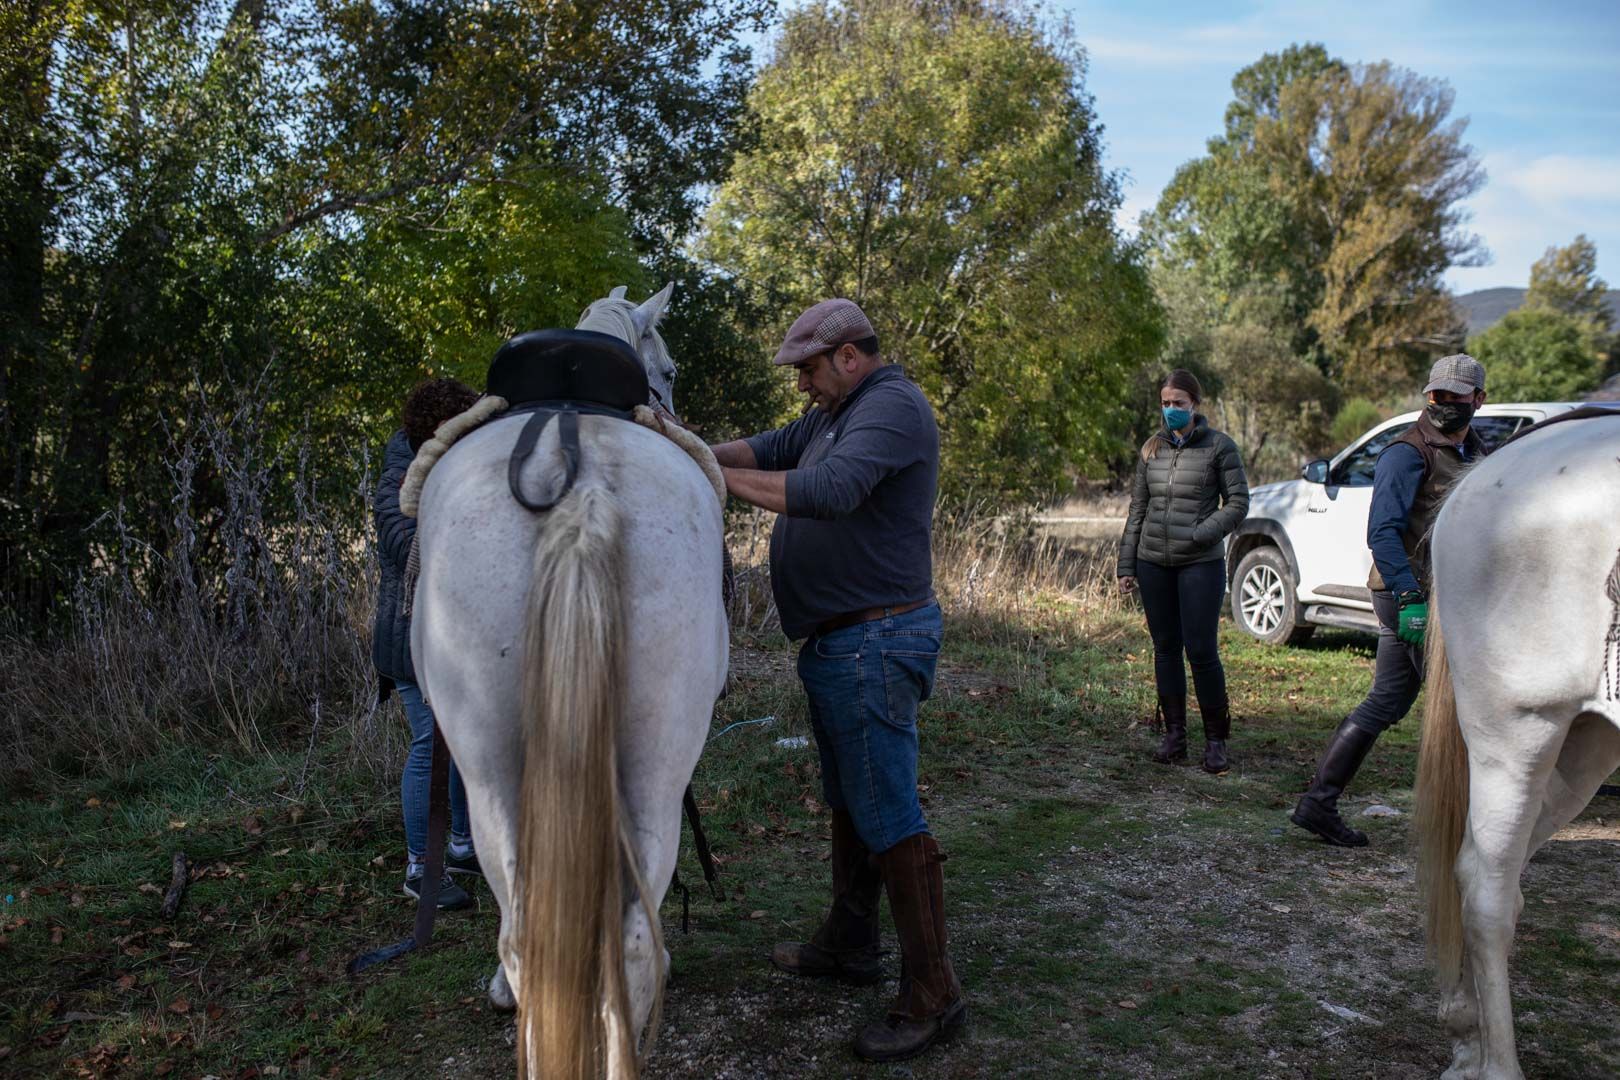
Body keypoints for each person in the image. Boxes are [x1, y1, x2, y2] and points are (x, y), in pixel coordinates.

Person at [710, 299, 963, 1063]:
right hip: (845, 641)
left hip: (875, 640)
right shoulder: (829, 416)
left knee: (887, 810)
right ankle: (851, 942)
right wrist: (670, 443)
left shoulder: (890, 407)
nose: (801, 386)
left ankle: (934, 994)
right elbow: (760, 448)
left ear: (849, 356)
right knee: (854, 798)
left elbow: (829, 492)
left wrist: (702, 473)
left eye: (809, 370)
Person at [1292, 354, 1490, 847]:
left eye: (1455, 397)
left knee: (1391, 701)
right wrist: (1411, 600)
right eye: (1436, 395)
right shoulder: (1407, 453)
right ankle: (1479, 829)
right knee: (1471, 709)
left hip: (1448, 597)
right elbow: (1382, 534)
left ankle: (1318, 803)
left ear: (1477, 401)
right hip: (1411, 598)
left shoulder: (1477, 450)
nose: (1443, 404)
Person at [374, 377, 483, 907]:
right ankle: (421, 868)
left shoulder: (443, 465)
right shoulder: (402, 475)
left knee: (460, 744)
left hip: (446, 635)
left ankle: (460, 845)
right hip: (409, 639)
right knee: (429, 748)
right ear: (439, 431)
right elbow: (403, 546)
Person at [1117, 369, 1250, 774]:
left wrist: (1201, 534)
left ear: (1195, 404)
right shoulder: (1150, 450)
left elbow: (1238, 503)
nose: (1170, 410)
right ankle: (1174, 735)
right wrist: (1126, 564)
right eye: (1165, 403)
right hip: (1153, 562)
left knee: (1202, 650)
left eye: (1178, 403)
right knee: (1165, 650)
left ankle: (1216, 741)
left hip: (1199, 564)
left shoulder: (1219, 448)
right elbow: (1137, 510)